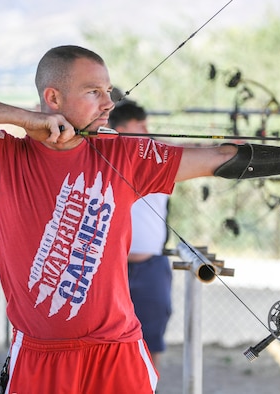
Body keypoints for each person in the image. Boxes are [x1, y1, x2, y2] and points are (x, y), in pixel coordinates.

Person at [0, 45, 280, 393]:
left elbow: (220, 159)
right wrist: (28, 121)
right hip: (41, 353)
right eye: (93, 91)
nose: (108, 103)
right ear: (53, 98)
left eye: (109, 91)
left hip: (116, 350)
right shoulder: (4, 156)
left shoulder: (122, 154)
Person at [109, 99, 172, 371]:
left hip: (151, 267)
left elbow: (196, 151)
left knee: (150, 340)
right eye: (140, 126)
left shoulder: (159, 158)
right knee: (108, 342)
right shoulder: (103, 158)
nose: (148, 131)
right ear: (120, 130)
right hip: (111, 268)